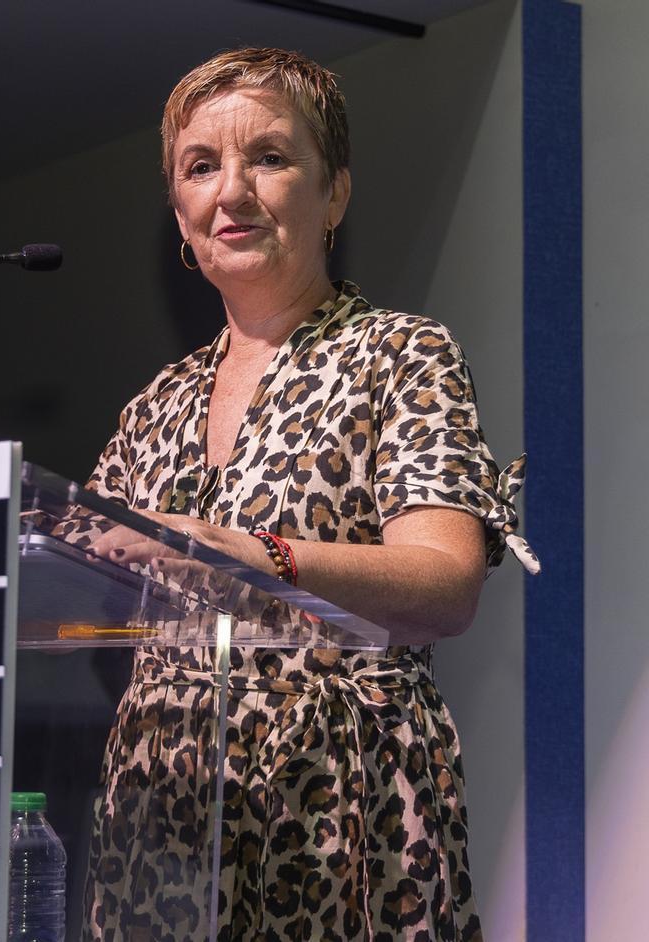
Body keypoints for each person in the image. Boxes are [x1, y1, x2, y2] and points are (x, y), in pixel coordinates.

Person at [76, 48, 538, 941]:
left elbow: (446, 586)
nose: (232, 191)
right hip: (160, 829)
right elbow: (88, 605)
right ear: (180, 213)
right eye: (200, 167)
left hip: (340, 818)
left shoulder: (400, 356)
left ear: (335, 196)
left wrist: (259, 558)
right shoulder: (156, 404)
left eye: (271, 158)